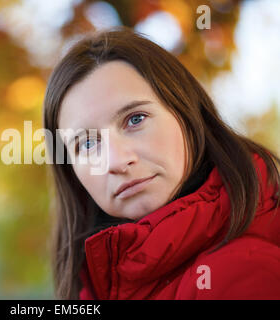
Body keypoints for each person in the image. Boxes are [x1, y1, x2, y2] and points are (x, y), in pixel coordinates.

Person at [43, 26, 280, 300]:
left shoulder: (244, 277)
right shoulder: (98, 284)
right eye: (86, 144)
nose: (117, 161)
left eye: (135, 119)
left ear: (186, 113)